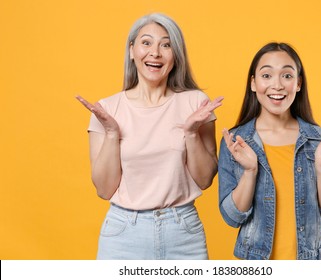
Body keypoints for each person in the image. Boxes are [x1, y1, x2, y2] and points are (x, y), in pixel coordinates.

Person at [76, 13, 223, 260]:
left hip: (183, 232)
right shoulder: (107, 109)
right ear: (131, 50)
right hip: (123, 234)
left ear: (175, 56)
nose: (155, 52)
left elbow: (205, 179)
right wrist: (112, 133)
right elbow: (104, 189)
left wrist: (190, 133)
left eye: (166, 45)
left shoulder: (196, 104)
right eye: (146, 43)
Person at [218, 42, 321, 260]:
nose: (277, 85)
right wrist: (250, 172)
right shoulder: (235, 142)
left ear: (298, 83)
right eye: (267, 75)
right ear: (253, 83)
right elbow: (232, 218)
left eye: (287, 76)